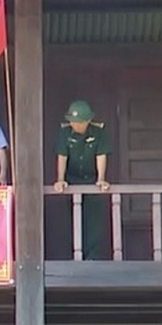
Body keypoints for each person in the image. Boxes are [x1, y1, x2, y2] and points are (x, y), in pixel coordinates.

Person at [52, 100, 112, 260]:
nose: (75, 125)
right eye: (73, 121)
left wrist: (101, 179)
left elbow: (101, 156)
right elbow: (62, 157)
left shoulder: (98, 133)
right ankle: (72, 257)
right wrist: (60, 179)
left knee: (93, 223)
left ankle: (92, 257)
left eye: (79, 122)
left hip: (91, 181)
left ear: (88, 121)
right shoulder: (65, 133)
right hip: (71, 181)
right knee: (70, 222)